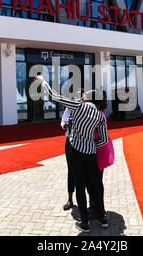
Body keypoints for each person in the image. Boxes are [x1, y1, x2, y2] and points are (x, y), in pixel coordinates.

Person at [35, 74, 109, 233]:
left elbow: (54, 96)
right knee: (93, 185)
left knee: (80, 187)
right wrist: (92, 146)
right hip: (91, 154)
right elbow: (104, 139)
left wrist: (43, 82)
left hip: (75, 151)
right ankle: (102, 219)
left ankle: (84, 224)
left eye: (83, 95)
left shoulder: (78, 106)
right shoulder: (99, 115)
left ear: (85, 98)